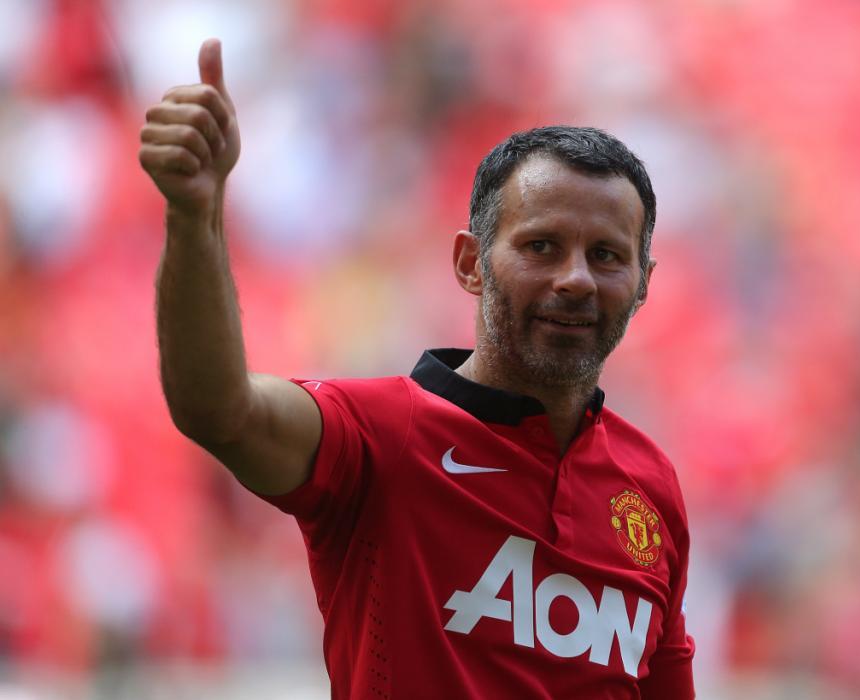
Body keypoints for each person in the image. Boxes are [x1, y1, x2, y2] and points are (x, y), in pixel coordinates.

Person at [140, 38, 695, 699]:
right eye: (542, 246)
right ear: (469, 263)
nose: (575, 278)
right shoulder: (380, 436)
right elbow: (218, 410)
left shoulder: (650, 486)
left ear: (642, 283)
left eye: (606, 255)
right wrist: (193, 216)